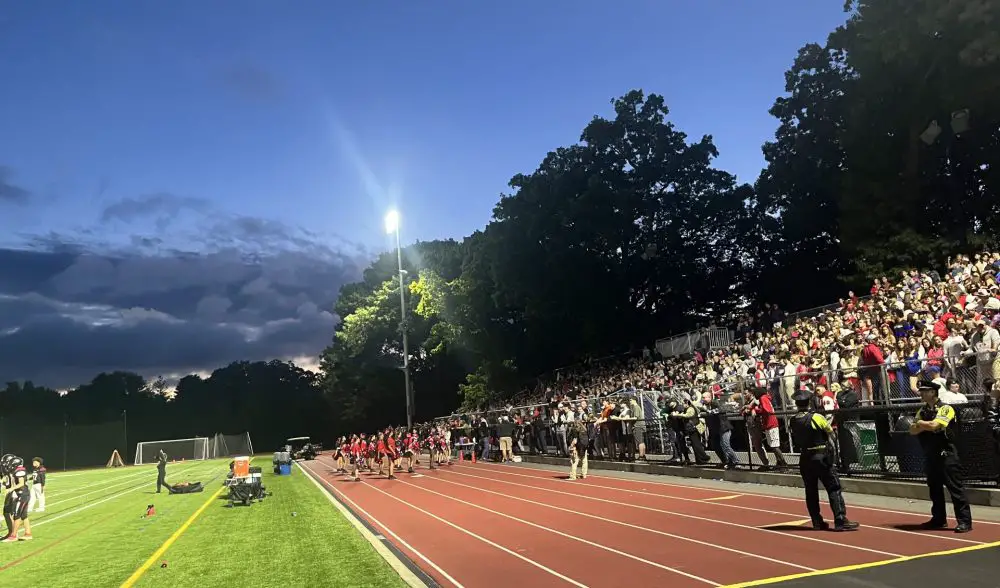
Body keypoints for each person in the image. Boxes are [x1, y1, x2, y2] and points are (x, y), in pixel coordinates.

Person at [789, 390, 859, 532]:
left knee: (811, 490)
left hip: (805, 457)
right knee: (833, 487)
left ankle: (816, 521)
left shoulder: (793, 420)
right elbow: (831, 434)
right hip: (820, 456)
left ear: (796, 404)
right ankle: (840, 519)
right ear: (809, 403)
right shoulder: (816, 417)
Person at [909, 382, 973, 533]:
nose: (921, 394)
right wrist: (922, 424)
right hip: (931, 454)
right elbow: (912, 430)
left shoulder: (945, 408)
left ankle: (965, 521)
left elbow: (934, 425)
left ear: (933, 392)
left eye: (925, 391)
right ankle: (938, 519)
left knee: (955, 489)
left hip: (947, 454)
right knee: (934, 489)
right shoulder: (922, 410)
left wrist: (920, 424)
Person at [2, 457, 31, 541]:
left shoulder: (19, 471)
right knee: (24, 515)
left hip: (22, 494)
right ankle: (28, 534)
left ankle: (13, 536)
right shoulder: (18, 470)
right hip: (23, 494)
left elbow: (21, 484)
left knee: (17, 515)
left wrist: (11, 488)